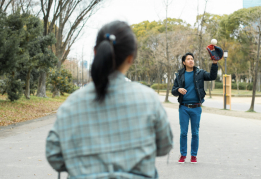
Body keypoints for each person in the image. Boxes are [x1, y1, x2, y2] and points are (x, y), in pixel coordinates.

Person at [46, 21, 173, 179]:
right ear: (131, 58)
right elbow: (164, 146)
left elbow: (54, 155)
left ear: (95, 51)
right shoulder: (148, 99)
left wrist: (80, 164)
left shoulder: (71, 103)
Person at [172, 52, 218, 164]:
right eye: (188, 59)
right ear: (184, 62)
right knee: (183, 132)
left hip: (196, 107)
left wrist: (214, 63)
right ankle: (183, 155)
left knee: (195, 133)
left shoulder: (200, 73)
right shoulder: (179, 75)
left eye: (192, 59)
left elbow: (212, 76)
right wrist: (178, 90)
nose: (191, 61)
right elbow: (173, 91)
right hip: (183, 108)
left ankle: (193, 155)